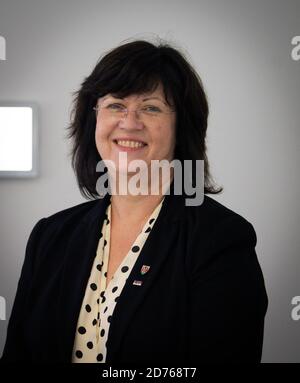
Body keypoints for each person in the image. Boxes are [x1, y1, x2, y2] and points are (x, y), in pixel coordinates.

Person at [1, 38, 268, 364]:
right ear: (94, 119)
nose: (129, 122)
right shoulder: (50, 236)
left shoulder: (220, 239)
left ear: (181, 127)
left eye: (151, 107)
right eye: (115, 104)